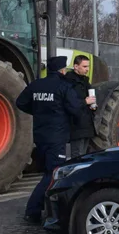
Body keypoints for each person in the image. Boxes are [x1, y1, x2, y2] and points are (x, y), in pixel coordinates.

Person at [17, 55, 85, 224]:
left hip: (40, 136)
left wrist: (39, 111)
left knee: (48, 173)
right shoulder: (64, 86)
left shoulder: (36, 85)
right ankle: (33, 210)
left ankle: (47, 210)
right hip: (57, 136)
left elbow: (20, 102)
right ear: (62, 70)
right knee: (53, 174)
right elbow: (75, 109)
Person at [63, 54, 97, 158]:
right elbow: (69, 102)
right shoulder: (68, 81)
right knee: (76, 155)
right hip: (76, 125)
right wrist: (84, 102)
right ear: (76, 67)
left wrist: (93, 106)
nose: (87, 69)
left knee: (83, 155)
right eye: (84, 66)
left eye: (88, 66)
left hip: (87, 124)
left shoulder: (85, 81)